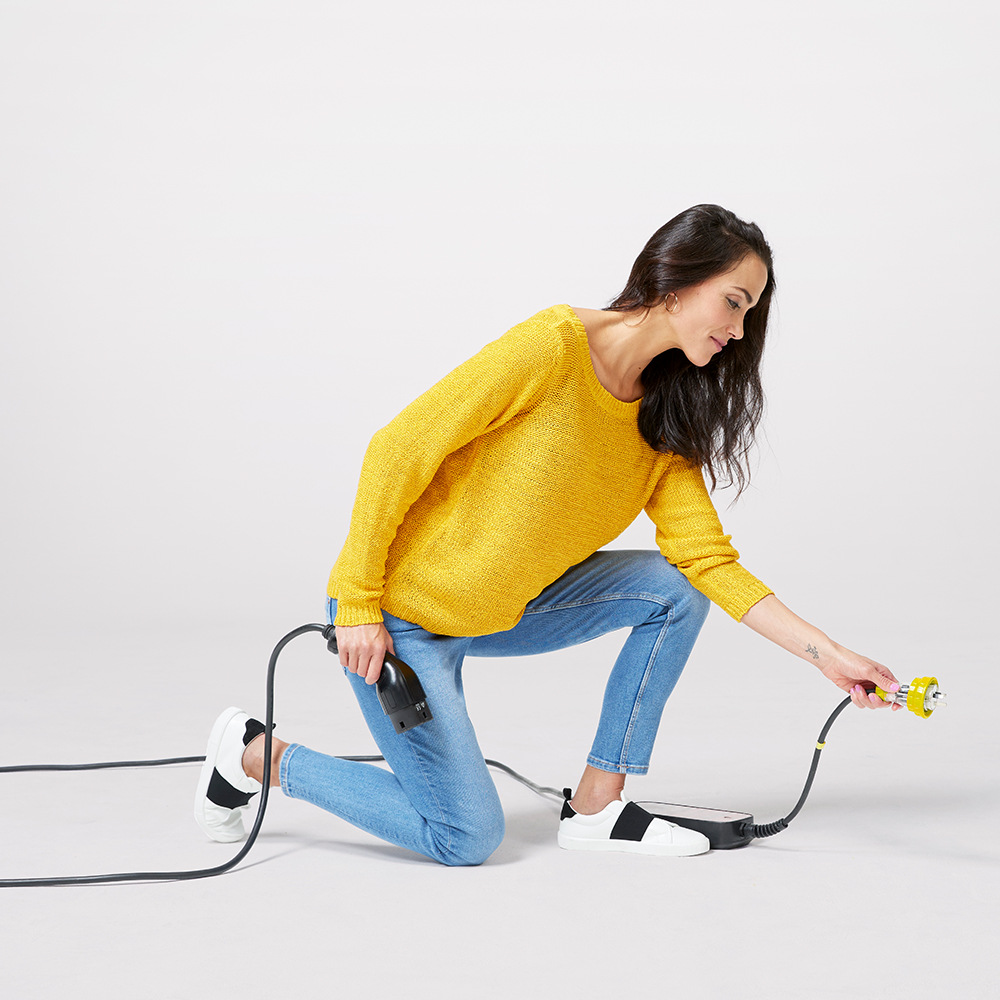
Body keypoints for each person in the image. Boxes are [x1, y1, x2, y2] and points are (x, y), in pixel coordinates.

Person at [194, 204, 901, 864]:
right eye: (735, 302)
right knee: (465, 836)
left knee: (676, 588)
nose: (740, 331)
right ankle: (255, 754)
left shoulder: (665, 421)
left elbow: (708, 560)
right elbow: (396, 449)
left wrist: (829, 656)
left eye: (751, 313)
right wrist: (356, 602)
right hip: (402, 621)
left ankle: (598, 807)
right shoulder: (553, 347)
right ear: (679, 278)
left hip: (507, 610)